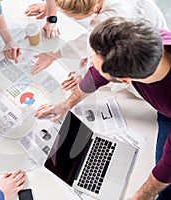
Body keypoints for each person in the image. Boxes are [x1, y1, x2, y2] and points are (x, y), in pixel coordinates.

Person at [35, 17, 171, 199]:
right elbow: (96, 77)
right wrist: (67, 105)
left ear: (125, 80)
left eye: (99, 68)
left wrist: (140, 196)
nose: (95, 70)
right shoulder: (145, 39)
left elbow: (167, 168)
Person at [30, 0, 169, 82]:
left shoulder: (107, 20)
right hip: (150, 23)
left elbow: (88, 43)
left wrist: (85, 74)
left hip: (144, 52)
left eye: (72, 16)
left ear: (92, 11)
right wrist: (53, 7)